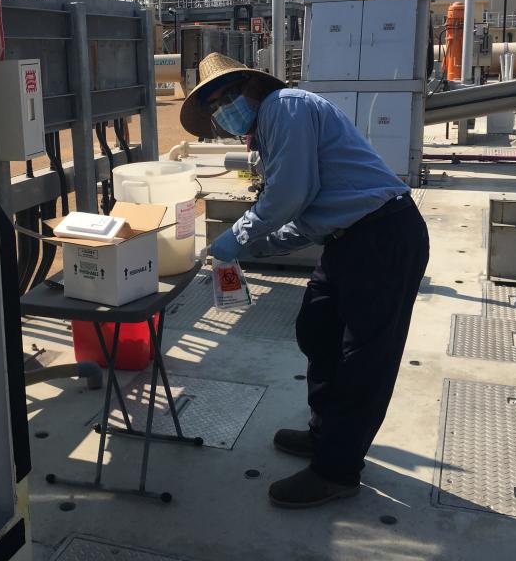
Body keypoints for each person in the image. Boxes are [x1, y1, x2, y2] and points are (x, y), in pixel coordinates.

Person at [180, 53, 429, 509]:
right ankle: (325, 433)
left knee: (363, 359)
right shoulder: (271, 132)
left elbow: (290, 195)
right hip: (347, 239)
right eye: (216, 104)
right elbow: (310, 214)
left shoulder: (284, 107)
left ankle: (337, 470)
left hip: (381, 235)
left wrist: (237, 235)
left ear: (254, 87)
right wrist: (255, 248)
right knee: (318, 330)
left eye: (230, 94)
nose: (225, 107)